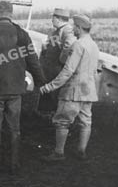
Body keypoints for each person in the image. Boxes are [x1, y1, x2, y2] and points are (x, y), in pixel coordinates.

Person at [0, 1, 45, 174]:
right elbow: (33, 61)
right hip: (15, 89)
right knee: (14, 128)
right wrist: (42, 81)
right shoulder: (22, 34)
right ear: (11, 14)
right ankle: (14, 164)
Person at [39, 14, 100, 162]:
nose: (73, 29)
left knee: (62, 121)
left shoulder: (78, 45)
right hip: (88, 91)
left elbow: (68, 70)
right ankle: (81, 152)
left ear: (79, 28)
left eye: (74, 27)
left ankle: (59, 153)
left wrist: (49, 87)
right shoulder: (93, 45)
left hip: (73, 91)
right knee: (85, 121)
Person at [38, 8, 76, 111]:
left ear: (59, 19)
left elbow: (68, 47)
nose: (52, 20)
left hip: (57, 69)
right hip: (50, 69)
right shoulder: (55, 31)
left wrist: (61, 61)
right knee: (47, 97)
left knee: (55, 96)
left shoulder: (67, 30)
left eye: (53, 17)